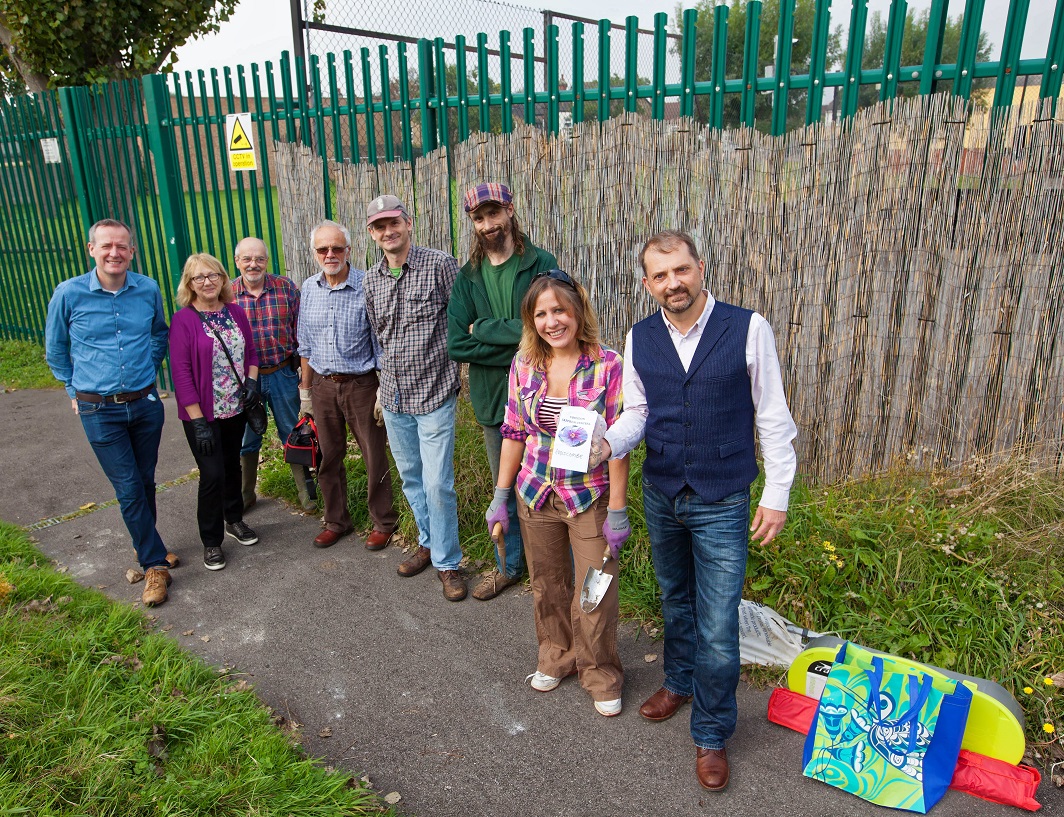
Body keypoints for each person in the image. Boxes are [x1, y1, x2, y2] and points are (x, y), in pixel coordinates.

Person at [600, 230, 797, 791]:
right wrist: (606, 443)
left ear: (701, 267)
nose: (673, 283)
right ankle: (680, 681)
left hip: (723, 496)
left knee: (717, 624)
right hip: (662, 491)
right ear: (647, 284)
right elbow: (639, 412)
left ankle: (711, 732)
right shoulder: (639, 337)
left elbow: (773, 415)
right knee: (675, 598)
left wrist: (777, 494)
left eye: (681, 270)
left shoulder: (748, 328)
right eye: (660, 275)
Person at [489, 270, 630, 716]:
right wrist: (501, 495)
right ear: (531, 320)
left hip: (588, 497)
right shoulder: (524, 363)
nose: (552, 322)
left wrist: (618, 510)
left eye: (560, 310)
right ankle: (556, 655)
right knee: (547, 584)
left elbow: (620, 441)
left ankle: (600, 672)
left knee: (595, 589)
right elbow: (514, 431)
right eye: (541, 313)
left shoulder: (608, 365)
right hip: (535, 492)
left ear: (578, 311)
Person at [45, 219, 174, 607]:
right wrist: (74, 390)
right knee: (129, 487)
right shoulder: (69, 294)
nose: (114, 253)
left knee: (145, 481)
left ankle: (146, 543)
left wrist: (148, 368)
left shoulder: (147, 289)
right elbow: (55, 349)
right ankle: (154, 565)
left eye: (121, 246)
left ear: (131, 251)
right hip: (98, 410)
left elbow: (159, 333)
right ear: (92, 250)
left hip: (145, 404)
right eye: (106, 246)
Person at [447, 182, 559, 601]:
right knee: (505, 487)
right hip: (495, 398)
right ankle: (509, 566)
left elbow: (550, 328)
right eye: (479, 217)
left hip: (545, 394)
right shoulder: (468, 277)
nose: (488, 223)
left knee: (552, 484)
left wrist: (486, 328)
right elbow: (457, 344)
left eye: (494, 213)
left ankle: (552, 568)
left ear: (510, 211)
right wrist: (519, 343)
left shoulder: (540, 264)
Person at [364, 195, 466, 601]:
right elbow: (379, 335)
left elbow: (461, 319)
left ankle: (448, 562)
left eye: (394, 222)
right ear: (372, 234)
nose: (388, 231)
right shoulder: (371, 280)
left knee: (438, 483)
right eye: (380, 226)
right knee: (411, 477)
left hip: (435, 393)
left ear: (409, 223)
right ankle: (427, 542)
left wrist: (455, 371)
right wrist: (381, 387)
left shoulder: (440, 265)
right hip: (394, 397)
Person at [298, 220, 398, 550]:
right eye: (323, 249)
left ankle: (384, 521)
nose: (330, 254)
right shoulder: (309, 288)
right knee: (328, 456)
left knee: (373, 455)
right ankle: (336, 521)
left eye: (336, 248)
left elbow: (381, 342)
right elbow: (305, 344)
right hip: (323, 386)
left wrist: (383, 389)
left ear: (348, 250)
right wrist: (305, 393)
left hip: (361, 385)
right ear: (314, 253)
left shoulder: (367, 285)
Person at [169, 253, 261, 571]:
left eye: (213, 275)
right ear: (190, 283)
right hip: (203, 414)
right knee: (211, 475)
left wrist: (251, 383)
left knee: (232, 466)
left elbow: (251, 353)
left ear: (223, 279)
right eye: (199, 277)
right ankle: (211, 541)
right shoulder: (183, 320)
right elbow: (181, 374)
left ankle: (233, 519)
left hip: (235, 407)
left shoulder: (235, 312)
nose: (207, 282)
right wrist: (198, 422)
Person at [229, 236, 314, 512]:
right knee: (246, 438)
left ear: (267, 260)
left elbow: (301, 332)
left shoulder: (285, 288)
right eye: (247, 259)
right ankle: (245, 493)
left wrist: (303, 375)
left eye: (259, 259)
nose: (253, 264)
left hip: (281, 373)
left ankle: (306, 492)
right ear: (237, 261)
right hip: (245, 381)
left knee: (292, 432)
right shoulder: (227, 294)